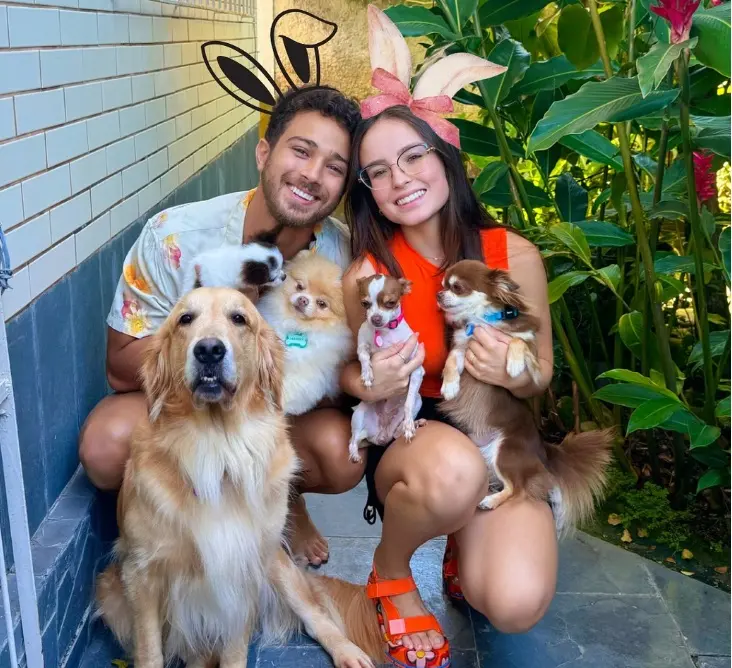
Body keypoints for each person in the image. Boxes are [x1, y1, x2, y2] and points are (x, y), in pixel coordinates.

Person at [78, 85, 365, 566]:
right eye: (301, 151)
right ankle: (180, 523)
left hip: (276, 413)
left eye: (334, 167)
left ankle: (283, 498)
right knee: (105, 448)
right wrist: (208, 335)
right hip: (184, 410)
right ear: (263, 153)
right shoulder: (176, 235)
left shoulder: (346, 259)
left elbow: (346, 379)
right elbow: (120, 366)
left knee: (340, 454)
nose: (313, 175)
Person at [339, 105, 557, 666]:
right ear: (368, 190)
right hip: (417, 432)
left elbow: (541, 375)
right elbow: (345, 372)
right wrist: (372, 385)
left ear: (446, 160)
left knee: (514, 603)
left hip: (495, 427)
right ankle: (390, 574)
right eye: (379, 171)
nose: (400, 179)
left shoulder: (513, 255)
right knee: (454, 472)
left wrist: (511, 368)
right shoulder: (369, 275)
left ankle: (464, 542)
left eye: (413, 157)